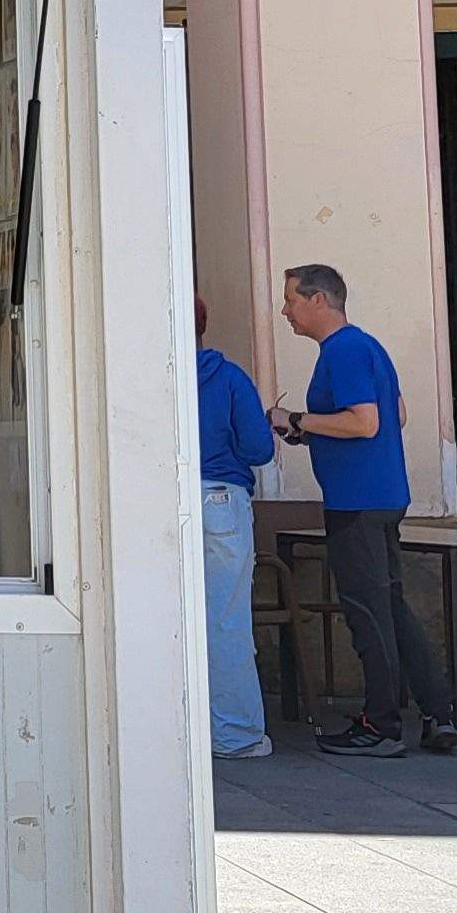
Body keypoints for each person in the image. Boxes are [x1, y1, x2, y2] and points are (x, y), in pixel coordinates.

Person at [272, 263, 457, 756]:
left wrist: (293, 417)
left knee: (367, 614)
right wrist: (311, 428)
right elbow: (396, 413)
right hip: (383, 494)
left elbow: (367, 422)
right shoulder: (369, 345)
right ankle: (438, 712)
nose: (285, 311)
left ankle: (381, 725)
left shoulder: (343, 350)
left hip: (355, 500)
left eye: (291, 300)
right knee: (390, 607)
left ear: (319, 300)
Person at [197, 298, 279, 758]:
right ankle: (235, 734)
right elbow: (258, 449)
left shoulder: (147, 376)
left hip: (156, 499)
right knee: (226, 620)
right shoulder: (228, 377)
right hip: (221, 501)